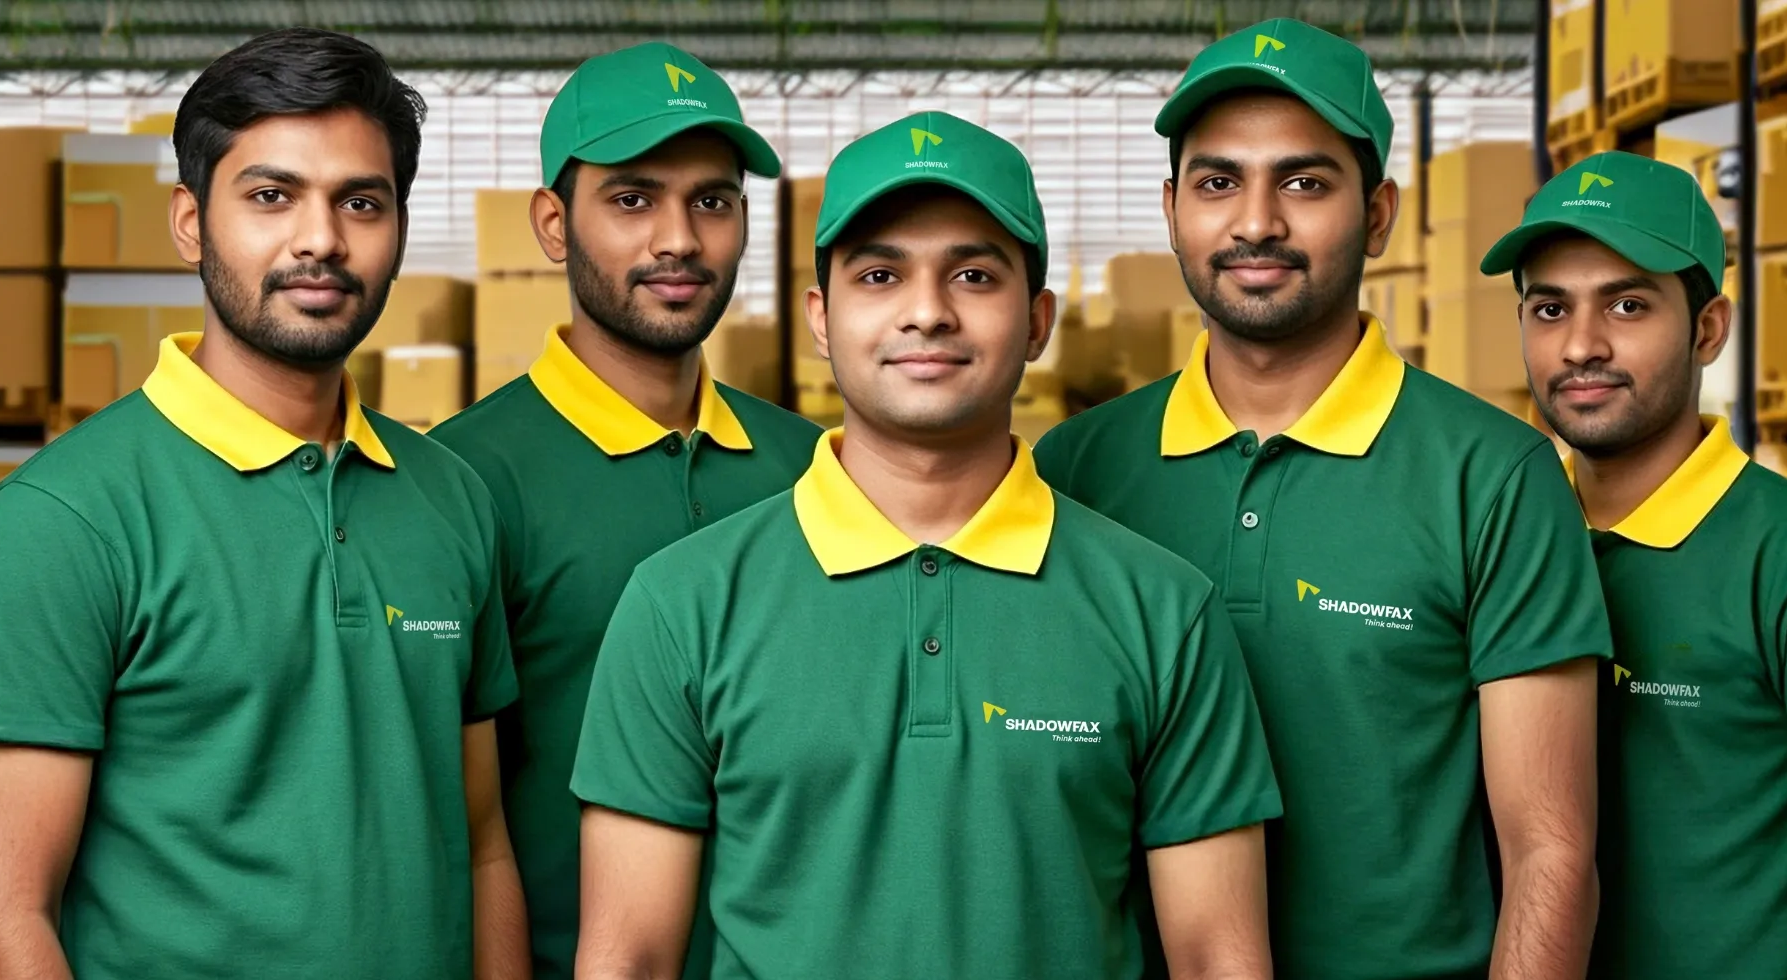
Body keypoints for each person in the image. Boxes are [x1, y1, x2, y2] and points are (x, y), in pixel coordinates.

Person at [568, 111, 1283, 980]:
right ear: (821, 318)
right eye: (880, 274)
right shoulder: (681, 603)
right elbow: (629, 958)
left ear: (1037, 321)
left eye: (975, 275)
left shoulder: (1164, 610)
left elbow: (1218, 957)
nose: (927, 313)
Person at [1034, 18, 1612, 980]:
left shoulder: (1494, 476)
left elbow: (1551, 852)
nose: (1257, 221)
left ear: (1379, 214)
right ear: (1173, 207)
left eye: (1304, 183)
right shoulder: (1074, 469)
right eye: (1219, 182)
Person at [0, 28, 525, 980]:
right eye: (272, 196)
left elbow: (481, 843)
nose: (320, 239)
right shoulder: (61, 521)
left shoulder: (453, 499)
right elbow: (8, 913)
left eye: (361, 202)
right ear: (191, 222)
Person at [427, 41, 819, 980]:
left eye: (712, 202)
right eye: (633, 199)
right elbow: (450, 815)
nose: (678, 239)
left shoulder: (815, 466)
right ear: (555, 225)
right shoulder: (459, 480)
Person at [1482, 150, 1787, 979]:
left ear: (1708, 329)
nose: (1581, 345)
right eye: (1549, 309)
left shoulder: (1776, 550)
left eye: (1626, 305)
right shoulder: (1500, 541)